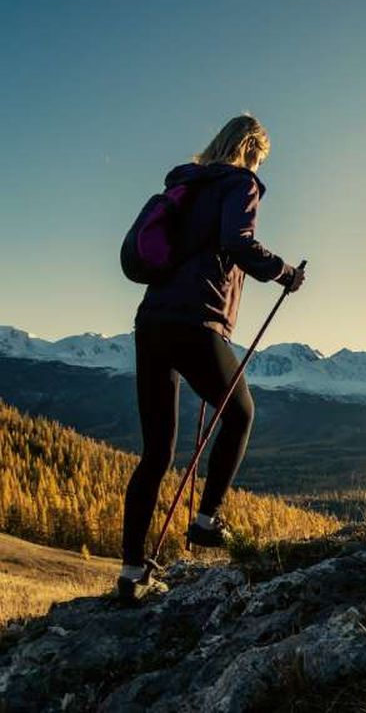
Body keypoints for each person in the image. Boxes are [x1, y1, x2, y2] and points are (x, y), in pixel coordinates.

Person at [119, 114, 307, 604]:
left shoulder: (186, 183)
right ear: (249, 148)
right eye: (261, 157)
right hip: (195, 319)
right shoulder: (240, 182)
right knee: (241, 413)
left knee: (156, 453)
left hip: (153, 319)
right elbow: (237, 242)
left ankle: (132, 571)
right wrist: (283, 272)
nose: (260, 166)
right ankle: (207, 521)